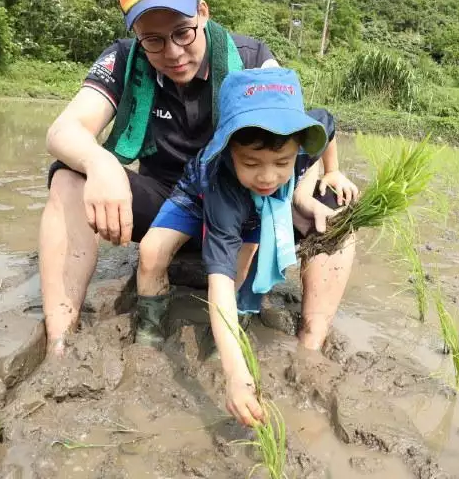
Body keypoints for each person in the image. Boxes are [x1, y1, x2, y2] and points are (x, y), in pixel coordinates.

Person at [39, 0, 285, 358]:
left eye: (182, 32)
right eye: (153, 39)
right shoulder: (123, 59)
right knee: (68, 175)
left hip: (237, 208)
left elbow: (285, 136)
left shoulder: (252, 60)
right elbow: (64, 130)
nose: (172, 51)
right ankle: (59, 340)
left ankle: (311, 344)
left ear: (202, 13)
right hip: (164, 209)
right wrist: (102, 164)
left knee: (331, 202)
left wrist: (321, 177)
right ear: (136, 33)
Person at [138, 67, 359, 427]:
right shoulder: (224, 186)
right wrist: (236, 375)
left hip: (254, 206)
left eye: (282, 163)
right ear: (229, 150)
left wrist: (332, 171)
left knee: (244, 265)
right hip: (195, 197)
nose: (268, 176)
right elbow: (218, 283)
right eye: (251, 163)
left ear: (299, 146)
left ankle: (227, 334)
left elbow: (327, 124)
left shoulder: (300, 137)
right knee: (150, 254)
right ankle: (147, 334)